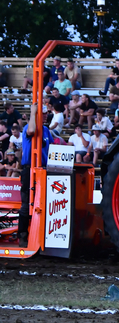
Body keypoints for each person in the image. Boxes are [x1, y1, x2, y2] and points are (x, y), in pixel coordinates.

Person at [18, 104, 53, 247]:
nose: (45, 115)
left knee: (44, 203)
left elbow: (52, 147)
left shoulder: (46, 130)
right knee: (27, 203)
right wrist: (33, 113)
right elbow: (31, 130)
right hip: (29, 169)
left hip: (44, 169)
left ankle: (41, 236)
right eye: (43, 113)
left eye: (46, 113)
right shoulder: (28, 128)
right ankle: (23, 236)